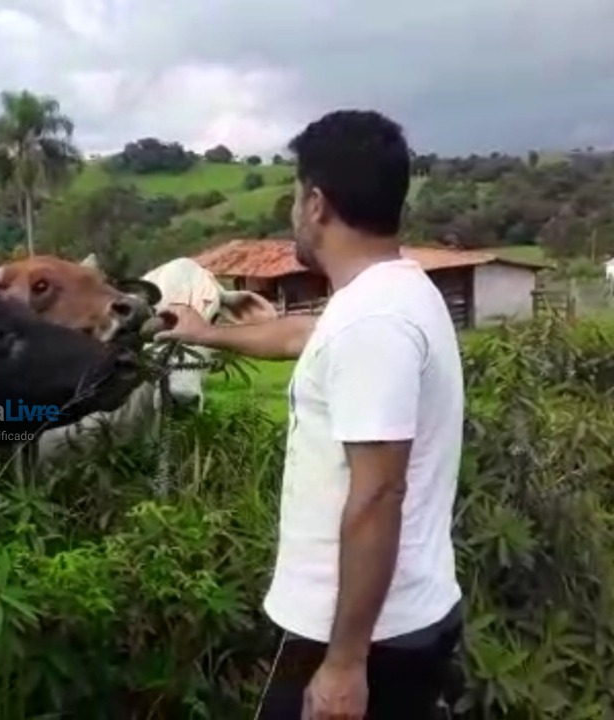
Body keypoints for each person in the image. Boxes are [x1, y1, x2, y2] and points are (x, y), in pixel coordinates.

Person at [156, 109, 464, 719]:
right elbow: (305, 336)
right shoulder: (393, 293)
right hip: (397, 619)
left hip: (361, 637)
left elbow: (378, 494)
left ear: (317, 203)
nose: (293, 212)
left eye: (295, 195)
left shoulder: (373, 322)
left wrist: (345, 665)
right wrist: (207, 334)